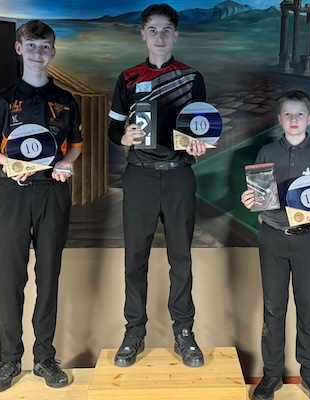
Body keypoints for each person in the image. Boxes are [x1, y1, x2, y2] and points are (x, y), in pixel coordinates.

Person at [0, 20, 82, 392]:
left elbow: (76, 146)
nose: (39, 53)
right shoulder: (3, 99)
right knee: (10, 278)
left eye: (45, 46)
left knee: (48, 275)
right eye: (32, 46)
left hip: (52, 192)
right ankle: (9, 359)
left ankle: (44, 358)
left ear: (53, 51)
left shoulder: (66, 100)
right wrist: (6, 163)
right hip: (12, 193)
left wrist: (66, 164)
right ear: (19, 49)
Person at [107, 3, 209, 368]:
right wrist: (125, 137)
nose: (160, 37)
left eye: (167, 30)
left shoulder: (192, 77)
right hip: (140, 177)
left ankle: (184, 332)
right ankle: (134, 332)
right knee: (135, 258)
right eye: (153, 30)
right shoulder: (128, 77)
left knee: (181, 258)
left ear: (176, 34)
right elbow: (113, 129)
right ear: (143, 34)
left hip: (179, 175)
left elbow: (201, 128)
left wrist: (199, 143)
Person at [240, 90, 310, 400]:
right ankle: (272, 375)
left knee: (307, 309)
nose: (294, 119)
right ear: (279, 119)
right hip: (272, 237)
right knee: (273, 309)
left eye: (300, 114)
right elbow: (258, 195)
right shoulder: (267, 151)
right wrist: (249, 200)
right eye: (288, 114)